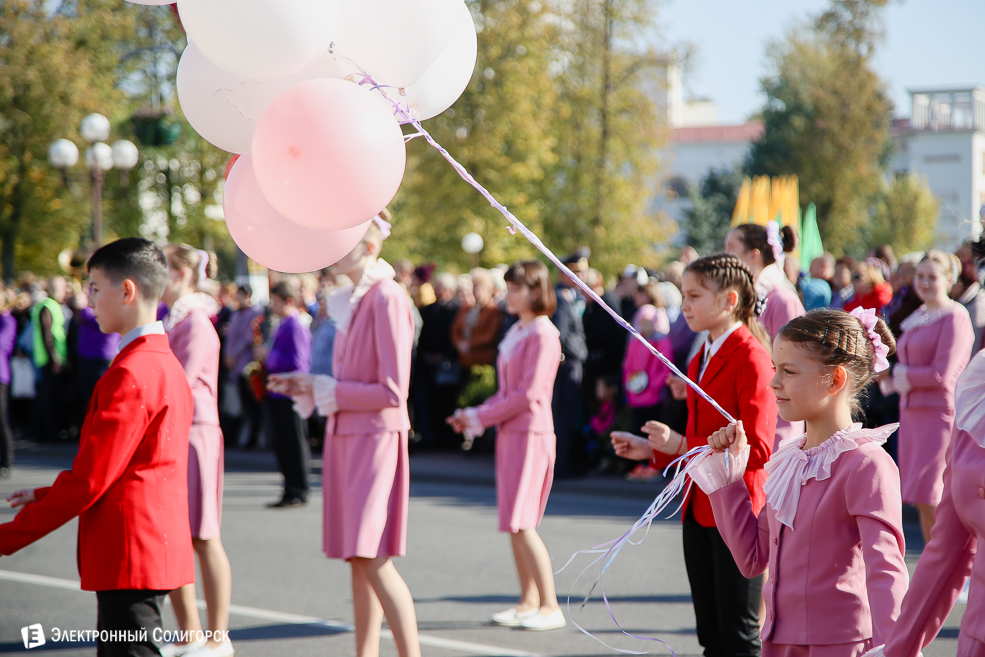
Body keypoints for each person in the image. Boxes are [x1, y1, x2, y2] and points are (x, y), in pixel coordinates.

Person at [0, 238, 195, 657]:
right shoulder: (162, 361)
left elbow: (92, 480)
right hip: (146, 547)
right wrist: (47, 493)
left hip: (129, 552)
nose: (88, 300)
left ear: (126, 290)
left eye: (94, 287)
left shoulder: (133, 371)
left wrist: (7, 537)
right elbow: (128, 466)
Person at [691, 308, 909, 655]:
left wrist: (896, 649)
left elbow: (886, 572)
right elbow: (752, 558)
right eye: (776, 369)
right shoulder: (789, 460)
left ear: (836, 380)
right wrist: (729, 479)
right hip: (779, 643)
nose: (774, 382)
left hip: (839, 645)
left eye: (789, 371)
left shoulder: (867, 464)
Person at [269, 216, 422, 657]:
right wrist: (305, 383)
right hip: (349, 434)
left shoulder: (388, 297)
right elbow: (350, 378)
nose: (331, 250)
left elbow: (393, 391)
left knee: (372, 556)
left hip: (373, 438)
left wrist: (325, 389)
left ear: (369, 249)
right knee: (358, 556)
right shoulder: (353, 299)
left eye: (344, 242)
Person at [612, 253, 776, 656]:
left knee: (738, 638)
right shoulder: (702, 350)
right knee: (711, 638)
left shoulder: (752, 356)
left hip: (739, 511)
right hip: (699, 505)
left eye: (694, 295)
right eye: (684, 294)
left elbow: (758, 448)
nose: (684, 304)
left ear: (729, 300)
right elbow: (703, 436)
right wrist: (651, 449)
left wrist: (681, 445)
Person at [448, 260, 566, 631]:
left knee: (523, 521)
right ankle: (528, 600)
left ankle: (549, 605)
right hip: (513, 433)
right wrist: (474, 414)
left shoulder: (543, 334)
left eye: (515, 288)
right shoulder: (519, 329)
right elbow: (507, 393)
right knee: (514, 523)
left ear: (535, 290)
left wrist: (479, 416)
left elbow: (527, 394)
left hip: (531, 433)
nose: (508, 294)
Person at [867, 349, 985, 657]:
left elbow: (940, 373)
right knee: (923, 500)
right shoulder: (977, 396)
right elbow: (948, 550)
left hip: (932, 416)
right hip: (977, 638)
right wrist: (896, 649)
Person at [160, 245, 233, 657]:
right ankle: (189, 635)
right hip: (176, 432)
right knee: (174, 536)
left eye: (165, 267)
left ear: (184, 274)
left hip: (195, 433)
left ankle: (219, 638)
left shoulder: (196, 324)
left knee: (204, 536)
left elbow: (178, 386)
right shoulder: (173, 321)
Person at [885, 250, 974, 544]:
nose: (924, 282)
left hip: (938, 415)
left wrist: (900, 374)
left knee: (934, 495)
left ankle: (949, 573)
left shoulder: (955, 316)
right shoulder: (919, 315)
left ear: (950, 280)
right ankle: (932, 567)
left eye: (932, 277)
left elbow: (943, 374)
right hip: (911, 413)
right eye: (920, 276)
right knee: (922, 498)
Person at [726, 222, 806, 449]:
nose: (725, 255)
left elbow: (795, 364)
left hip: (776, 418)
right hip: (747, 411)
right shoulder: (745, 300)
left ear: (753, 255)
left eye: (731, 248)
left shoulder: (782, 299)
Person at [260, 280, 312, 507]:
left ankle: (299, 489)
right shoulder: (282, 323)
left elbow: (299, 363)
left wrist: (269, 356)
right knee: (282, 444)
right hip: (278, 393)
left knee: (294, 444)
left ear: (288, 302)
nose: (273, 306)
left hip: (290, 393)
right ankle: (288, 489)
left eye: (276, 301)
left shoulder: (295, 325)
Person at [551, 249, 589, 478]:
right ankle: (560, 465)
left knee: (568, 415)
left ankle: (565, 461)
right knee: (563, 416)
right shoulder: (561, 297)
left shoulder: (572, 296)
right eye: (575, 272)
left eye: (583, 272)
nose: (581, 277)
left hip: (572, 362)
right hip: (566, 365)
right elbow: (560, 335)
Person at [222, 285, 262, 449]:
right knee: (240, 403)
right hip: (234, 364)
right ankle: (240, 436)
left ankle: (253, 437)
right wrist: (227, 355)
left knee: (251, 402)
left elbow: (247, 338)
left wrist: (234, 354)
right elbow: (231, 337)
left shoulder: (254, 314)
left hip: (245, 362)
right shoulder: (235, 313)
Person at [31, 275, 68, 442]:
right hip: (48, 359)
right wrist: (55, 359)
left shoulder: (51, 305)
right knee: (49, 398)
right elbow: (48, 335)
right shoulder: (47, 306)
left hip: (49, 358)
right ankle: (50, 434)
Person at [451, 268, 503, 368]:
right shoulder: (466, 308)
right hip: (463, 360)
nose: (476, 291)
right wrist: (459, 344)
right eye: (474, 287)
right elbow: (455, 329)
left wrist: (469, 344)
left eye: (479, 288)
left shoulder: (493, 310)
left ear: (488, 289)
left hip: (483, 361)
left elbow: (490, 335)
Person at [0, 302, 16, 478]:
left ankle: (6, 461)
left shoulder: (7, 320)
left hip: (0, 376)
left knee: (1, 419)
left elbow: (2, 343)